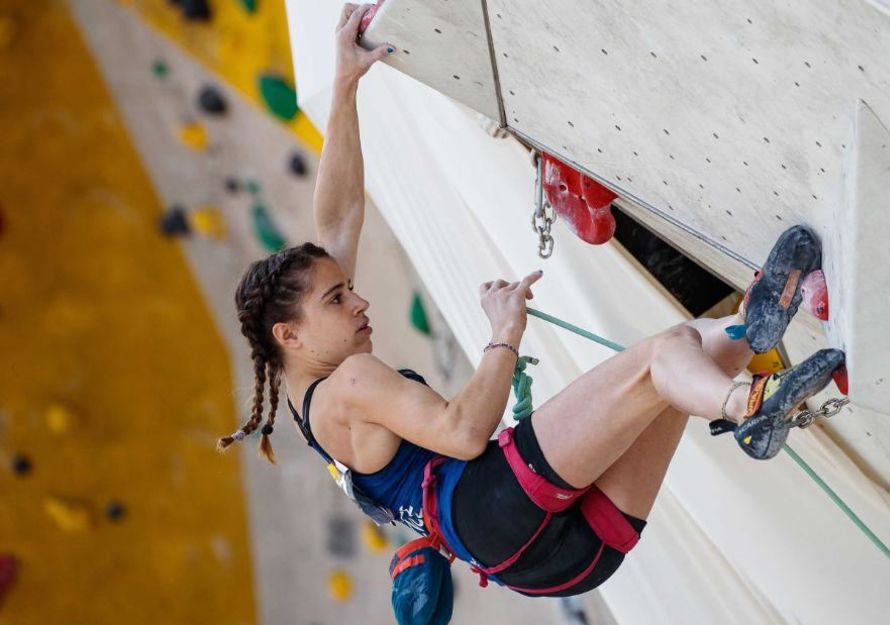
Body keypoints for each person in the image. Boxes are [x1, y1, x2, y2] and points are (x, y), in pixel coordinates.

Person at [218, 2, 845, 598]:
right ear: (289, 334)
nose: (358, 303)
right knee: (666, 354)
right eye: (337, 299)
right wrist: (503, 332)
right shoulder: (349, 379)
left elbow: (339, 219)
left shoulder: (310, 404)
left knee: (681, 371)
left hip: (559, 563)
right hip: (498, 507)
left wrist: (346, 85)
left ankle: (748, 331)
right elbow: (462, 433)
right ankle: (749, 405)